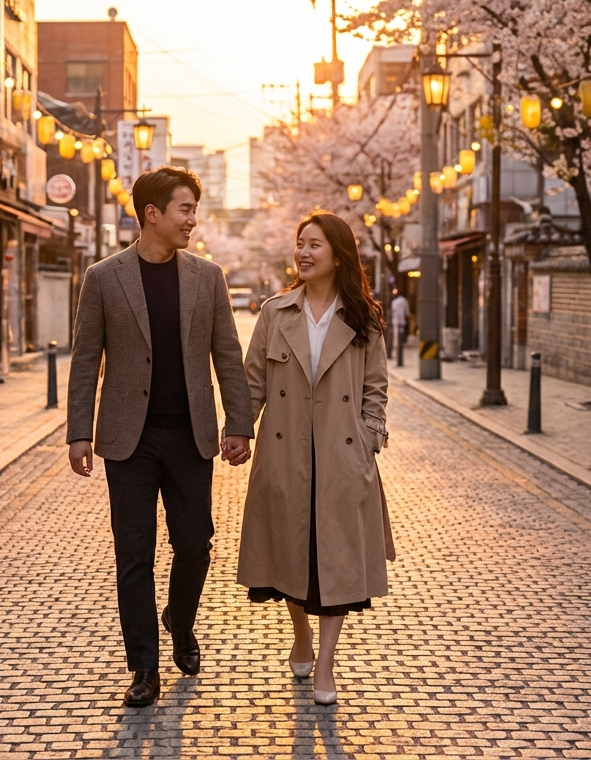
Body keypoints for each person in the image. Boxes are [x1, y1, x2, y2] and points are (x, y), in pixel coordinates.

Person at [67, 166, 254, 708]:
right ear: (152, 215)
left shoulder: (207, 276)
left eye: (194, 209)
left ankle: (181, 618)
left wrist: (239, 423)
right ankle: (143, 668)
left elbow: (227, 355)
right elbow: (85, 360)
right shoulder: (104, 277)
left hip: (191, 434)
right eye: (184, 209)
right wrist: (80, 431)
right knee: (134, 554)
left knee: (195, 543)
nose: (193, 220)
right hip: (129, 439)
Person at [235, 210, 394, 706]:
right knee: (291, 554)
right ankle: (299, 631)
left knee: (337, 563)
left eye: (314, 245)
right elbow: (253, 382)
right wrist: (239, 431)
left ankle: (325, 662)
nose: (302, 252)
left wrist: (368, 437)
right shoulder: (274, 312)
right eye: (299, 243)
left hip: (342, 458)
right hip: (284, 457)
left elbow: (376, 389)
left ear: (338, 254)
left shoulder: (364, 318)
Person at [389, 289, 410, 359]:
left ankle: (396, 351)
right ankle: (399, 355)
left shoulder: (394, 302)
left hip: (395, 322)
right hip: (401, 322)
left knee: (395, 339)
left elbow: (392, 312)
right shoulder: (404, 300)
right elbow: (407, 312)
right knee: (400, 338)